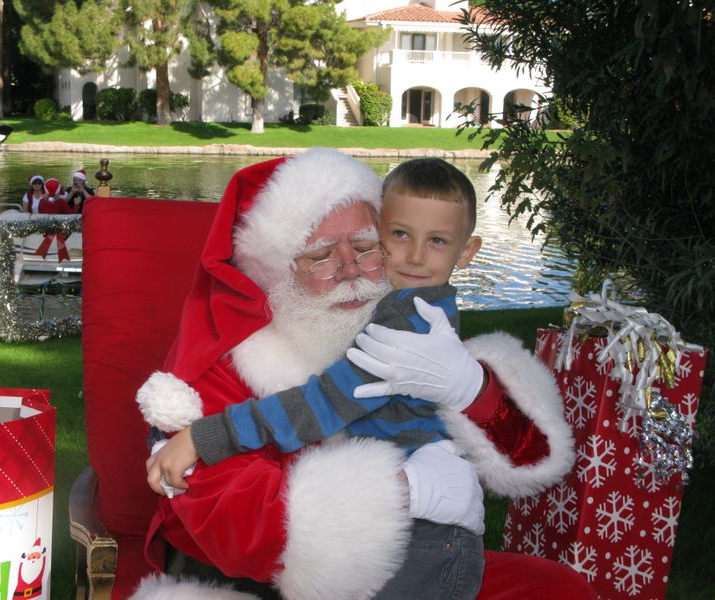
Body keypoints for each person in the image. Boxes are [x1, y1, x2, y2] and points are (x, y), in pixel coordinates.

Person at [134, 148, 592, 600]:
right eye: (321, 256)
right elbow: (232, 523)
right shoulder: (222, 365)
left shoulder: (412, 322)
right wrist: (407, 491)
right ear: (277, 268)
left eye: (366, 246)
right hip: (269, 583)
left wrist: (472, 389)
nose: (351, 270)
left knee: (559, 589)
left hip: (412, 562)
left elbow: (531, 457)